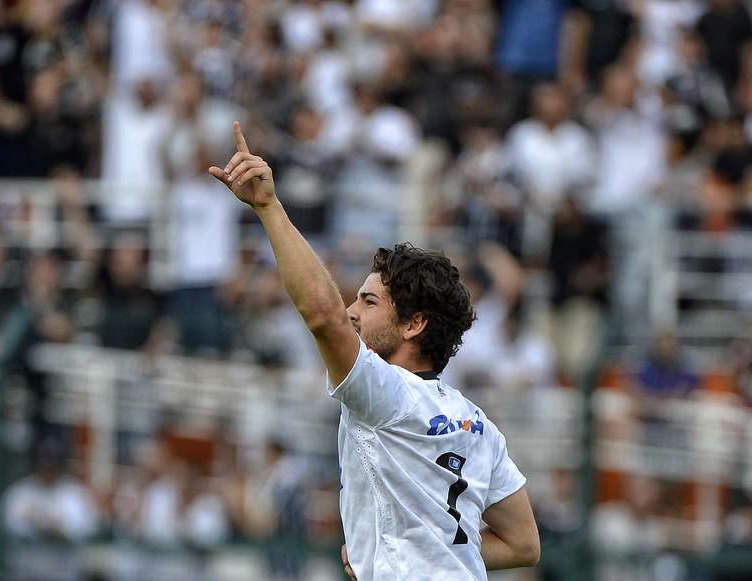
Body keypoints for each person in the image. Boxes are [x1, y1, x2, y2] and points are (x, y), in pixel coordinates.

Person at [209, 122, 540, 579]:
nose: (351, 312)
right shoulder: (479, 424)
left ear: (413, 324)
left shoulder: (386, 394)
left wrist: (268, 207)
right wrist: (402, 552)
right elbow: (524, 545)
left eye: (368, 301)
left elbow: (322, 315)